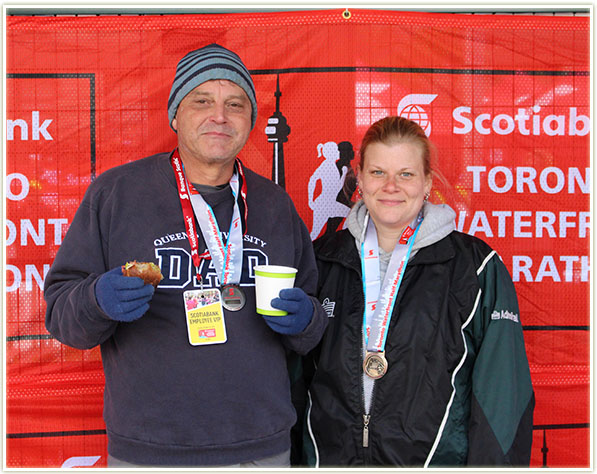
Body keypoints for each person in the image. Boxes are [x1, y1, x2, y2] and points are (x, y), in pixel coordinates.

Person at [44, 43, 327, 468]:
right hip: (150, 448)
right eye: (202, 101)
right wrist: (97, 300)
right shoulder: (116, 194)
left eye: (235, 104)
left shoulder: (274, 204)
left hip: (261, 446)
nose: (220, 116)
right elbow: (63, 317)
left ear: (249, 120)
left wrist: (305, 320)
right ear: (175, 114)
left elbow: (313, 327)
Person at [301, 116, 534, 467]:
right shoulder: (321, 260)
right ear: (360, 180)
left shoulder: (475, 268)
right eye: (378, 172)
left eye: (406, 174)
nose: (391, 186)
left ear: (427, 183)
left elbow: (503, 398)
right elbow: (291, 381)